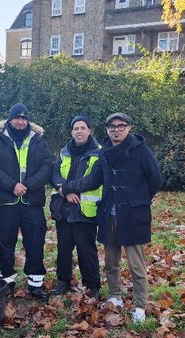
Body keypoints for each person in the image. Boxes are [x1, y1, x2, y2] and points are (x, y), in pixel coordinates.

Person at [69, 112, 162, 323]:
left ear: (128, 128)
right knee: (111, 262)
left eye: (121, 126)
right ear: (107, 129)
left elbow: (155, 178)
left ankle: (140, 305)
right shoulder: (104, 153)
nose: (116, 130)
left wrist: (140, 200)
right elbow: (95, 178)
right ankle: (115, 296)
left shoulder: (141, 151)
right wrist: (69, 187)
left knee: (136, 265)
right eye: (112, 126)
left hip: (133, 216)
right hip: (108, 214)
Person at [0, 103, 53, 299]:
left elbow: (47, 166)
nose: (20, 121)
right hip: (6, 200)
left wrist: (28, 185)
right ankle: (7, 279)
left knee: (35, 241)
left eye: (23, 118)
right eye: (16, 118)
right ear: (9, 120)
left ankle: (35, 282)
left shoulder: (38, 140)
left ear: (28, 120)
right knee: (5, 241)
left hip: (31, 200)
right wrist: (12, 186)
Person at [49, 115, 102, 297]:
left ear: (90, 130)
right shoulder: (64, 152)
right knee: (63, 248)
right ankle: (63, 281)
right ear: (72, 132)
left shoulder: (98, 153)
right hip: (63, 208)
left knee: (86, 249)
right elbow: (54, 174)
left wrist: (68, 188)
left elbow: (94, 179)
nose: (79, 131)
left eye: (82, 128)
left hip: (85, 210)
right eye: (76, 128)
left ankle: (92, 285)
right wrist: (63, 190)